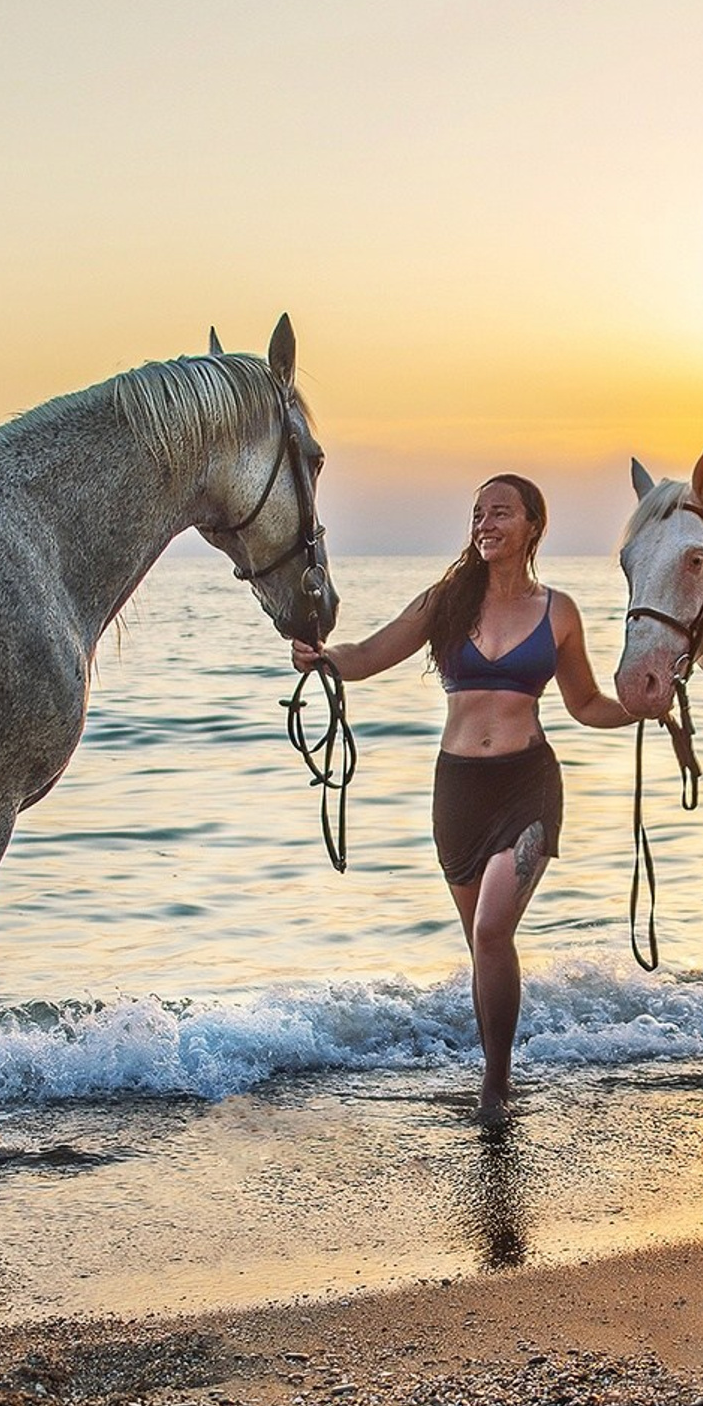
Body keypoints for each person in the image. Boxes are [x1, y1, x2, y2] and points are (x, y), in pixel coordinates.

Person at [292, 474, 640, 1125]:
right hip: (458, 792)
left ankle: (496, 1087)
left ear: (533, 524)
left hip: (529, 787)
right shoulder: (446, 602)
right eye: (478, 513)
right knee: (480, 948)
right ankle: (495, 1072)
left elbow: (587, 704)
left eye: (500, 513)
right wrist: (324, 658)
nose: (485, 523)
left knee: (491, 930)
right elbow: (369, 654)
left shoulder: (557, 611)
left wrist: (643, 711)